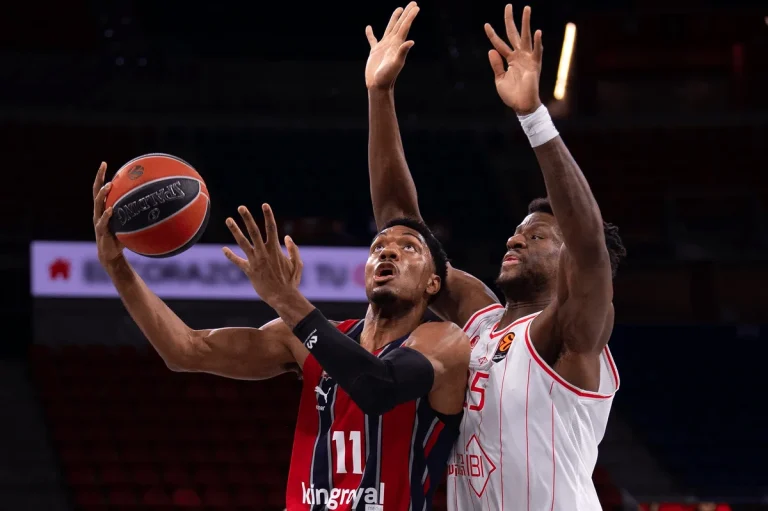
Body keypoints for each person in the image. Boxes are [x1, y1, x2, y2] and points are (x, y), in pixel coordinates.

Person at [365, 3, 627, 510]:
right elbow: (401, 226)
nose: (515, 241)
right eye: (515, 232)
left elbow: (590, 248)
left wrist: (533, 118)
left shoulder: (572, 337)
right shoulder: (478, 319)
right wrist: (380, 94)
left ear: (568, 261)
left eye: (537, 237)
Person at [92, 162, 469, 510]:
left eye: (409, 248)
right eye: (378, 247)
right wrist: (117, 267)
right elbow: (186, 350)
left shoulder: (443, 342)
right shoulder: (304, 339)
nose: (389, 253)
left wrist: (286, 300)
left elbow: (378, 386)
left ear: (433, 282)